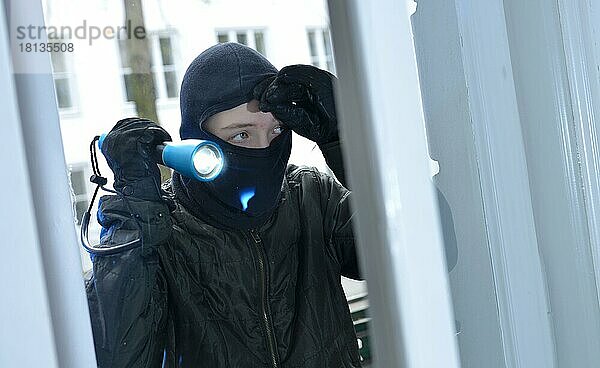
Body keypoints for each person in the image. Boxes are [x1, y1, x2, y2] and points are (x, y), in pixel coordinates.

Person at [86, 42, 361, 367]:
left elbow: (407, 255)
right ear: (194, 140)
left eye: (277, 130)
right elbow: (117, 353)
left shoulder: (312, 195)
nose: (264, 148)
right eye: (241, 136)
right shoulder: (159, 231)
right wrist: (137, 215)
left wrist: (348, 143)